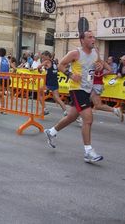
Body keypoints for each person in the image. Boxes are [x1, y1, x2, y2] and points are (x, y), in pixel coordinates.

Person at [44, 30, 104, 163]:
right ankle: (88, 152)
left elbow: (99, 65)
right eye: (90, 37)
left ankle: (51, 131)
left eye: (93, 37)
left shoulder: (96, 52)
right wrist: (71, 75)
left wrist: (99, 66)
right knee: (88, 119)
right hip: (77, 89)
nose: (93, 39)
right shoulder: (75, 53)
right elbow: (60, 65)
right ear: (82, 40)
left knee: (71, 116)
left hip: (87, 88)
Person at [91, 57, 124, 122]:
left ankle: (115, 110)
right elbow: (110, 70)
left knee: (97, 105)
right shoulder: (101, 61)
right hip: (94, 84)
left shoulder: (93, 61)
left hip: (95, 85)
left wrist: (101, 74)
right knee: (92, 104)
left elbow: (110, 70)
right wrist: (102, 74)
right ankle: (82, 117)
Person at [37, 51, 67, 116]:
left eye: (43, 57)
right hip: (55, 82)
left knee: (39, 93)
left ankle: (45, 109)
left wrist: (39, 69)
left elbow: (39, 67)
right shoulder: (54, 61)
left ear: (47, 56)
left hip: (49, 83)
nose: (43, 59)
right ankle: (65, 111)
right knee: (57, 98)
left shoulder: (47, 61)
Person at [0, 47, 10, 114]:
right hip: (7, 78)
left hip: (0, 78)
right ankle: (3, 108)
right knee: (0, 94)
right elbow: (12, 66)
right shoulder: (7, 59)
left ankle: (6, 93)